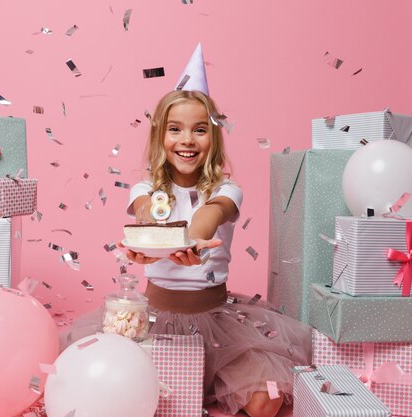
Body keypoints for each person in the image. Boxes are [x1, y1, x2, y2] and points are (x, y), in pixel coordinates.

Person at [123, 88, 311, 417]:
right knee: (128, 394)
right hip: (156, 321)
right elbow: (145, 213)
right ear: (159, 135)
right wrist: (152, 239)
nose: (187, 140)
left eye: (200, 129)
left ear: (214, 137)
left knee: (265, 402)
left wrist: (192, 240)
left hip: (218, 324)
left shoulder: (227, 190)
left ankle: (214, 384)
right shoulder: (146, 188)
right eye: (175, 128)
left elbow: (211, 214)